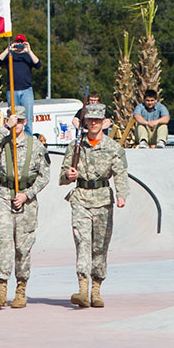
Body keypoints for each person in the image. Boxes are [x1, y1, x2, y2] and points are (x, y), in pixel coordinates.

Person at [59, 103, 129, 308]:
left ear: (104, 122)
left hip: (103, 201)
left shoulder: (112, 147)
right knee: (82, 243)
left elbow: (121, 174)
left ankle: (96, 290)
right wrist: (68, 175)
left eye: (98, 120)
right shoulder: (75, 146)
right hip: (80, 198)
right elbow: (63, 175)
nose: (94, 123)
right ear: (85, 121)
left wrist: (122, 194)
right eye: (90, 120)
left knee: (99, 247)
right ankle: (82, 289)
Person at [0, 112, 50, 308]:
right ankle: (1, 288)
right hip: (4, 194)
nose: (18, 124)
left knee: (23, 246)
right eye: (15, 120)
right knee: (3, 240)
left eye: (21, 121)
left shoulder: (35, 145)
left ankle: (21, 289)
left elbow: (44, 175)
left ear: (25, 122)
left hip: (25, 197)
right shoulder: (3, 142)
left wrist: (27, 195)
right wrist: (6, 127)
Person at [0, 34, 40, 135]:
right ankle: (14, 138)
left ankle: (28, 139)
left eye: (21, 43)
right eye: (18, 42)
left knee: (28, 118)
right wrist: (8, 49)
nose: (19, 44)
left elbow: (38, 64)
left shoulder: (28, 56)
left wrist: (29, 50)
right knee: (13, 117)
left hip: (26, 91)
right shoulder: (10, 56)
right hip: (12, 91)